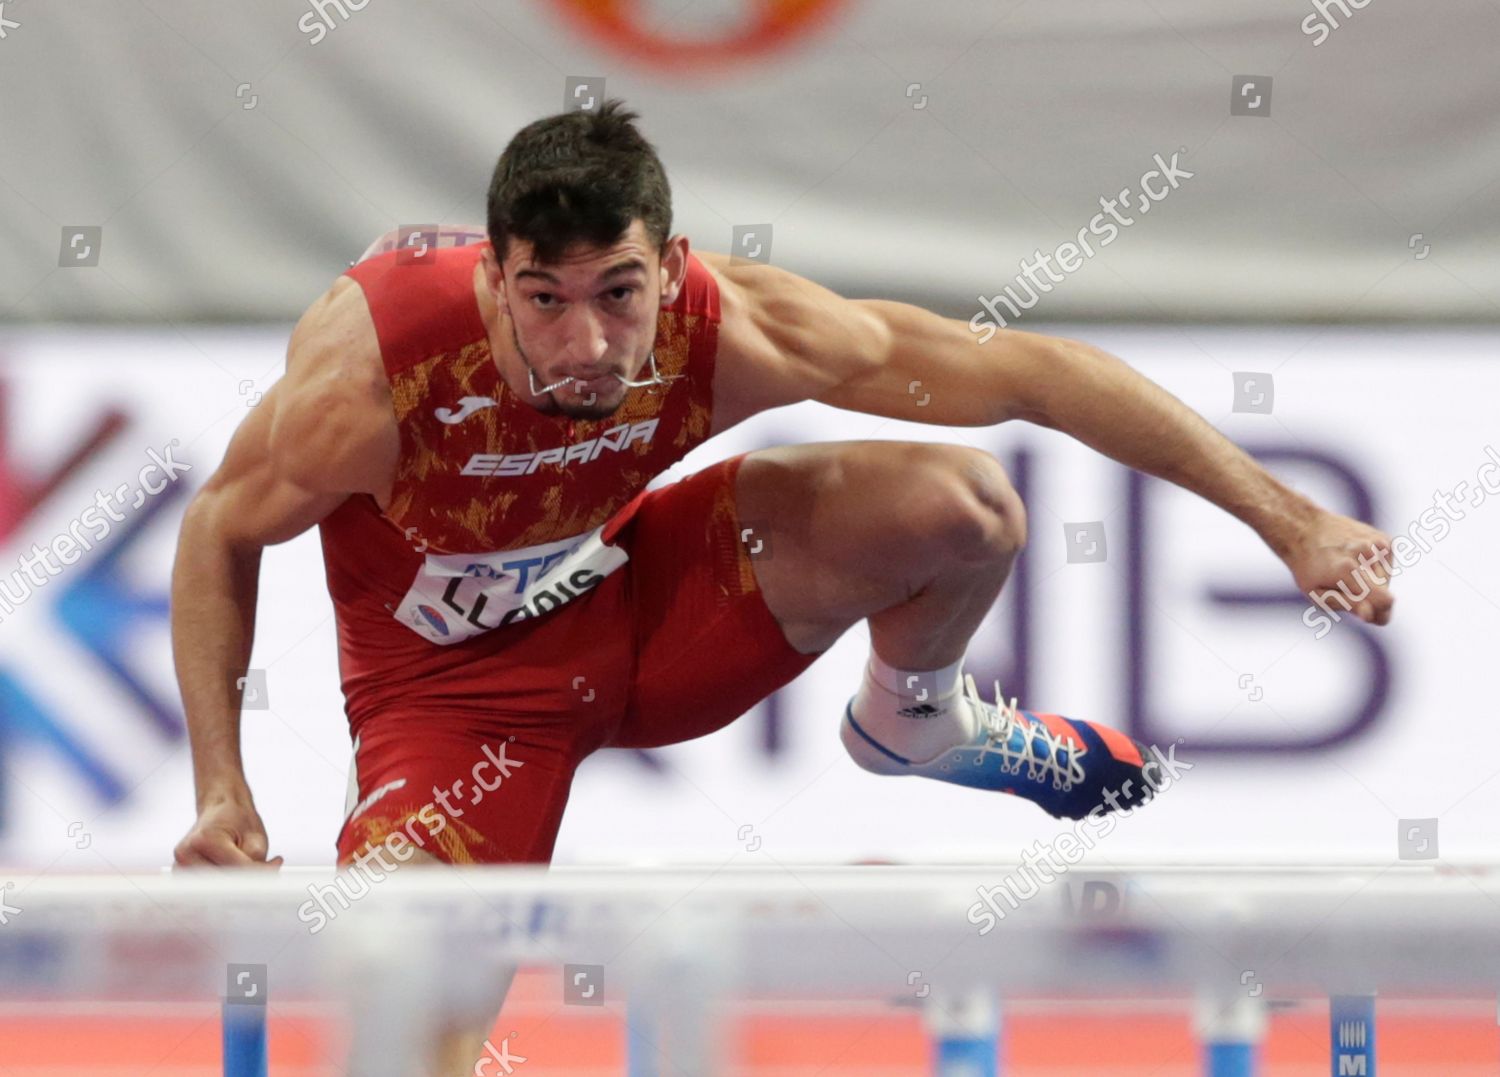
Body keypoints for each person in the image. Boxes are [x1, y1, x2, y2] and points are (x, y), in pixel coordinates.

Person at [170, 100, 1395, 1071]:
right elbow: (219, 531)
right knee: (408, 1029)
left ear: (672, 268)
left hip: (654, 603)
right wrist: (223, 788)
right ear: (493, 278)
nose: (585, 345)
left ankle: (918, 720)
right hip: (454, 704)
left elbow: (1032, 374)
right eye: (543, 300)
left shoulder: (738, 331)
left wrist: (1290, 524)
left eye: (618, 294)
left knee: (966, 506)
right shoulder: (371, 382)